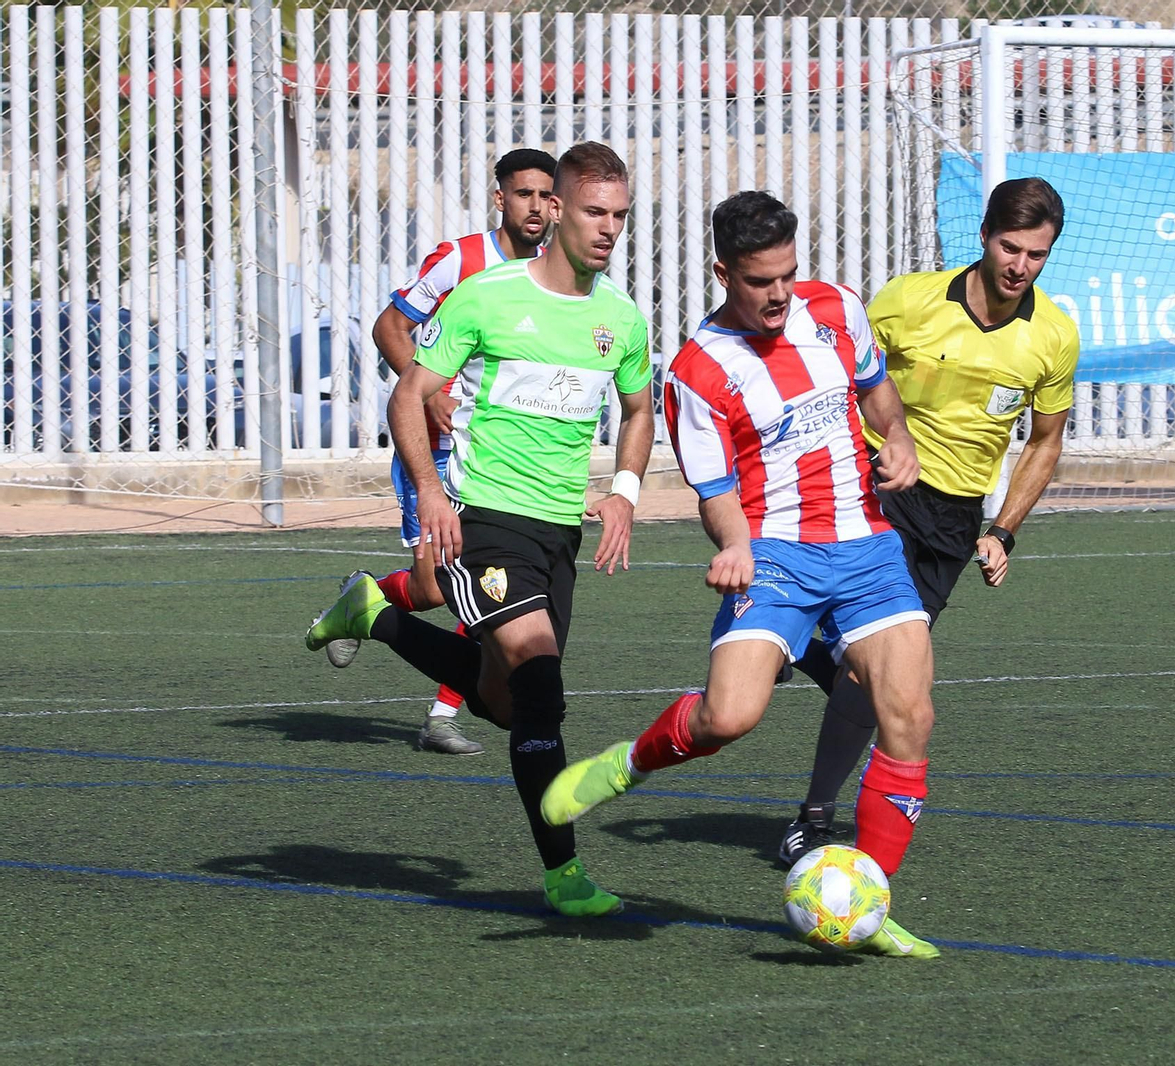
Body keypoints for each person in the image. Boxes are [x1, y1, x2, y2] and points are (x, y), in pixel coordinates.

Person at [538, 190, 942, 958]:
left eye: (789, 275)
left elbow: (879, 397)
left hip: (866, 547)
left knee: (909, 716)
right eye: (762, 281)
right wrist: (734, 546)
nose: (781, 294)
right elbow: (717, 490)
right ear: (724, 272)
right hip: (776, 555)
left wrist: (899, 439)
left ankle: (871, 897)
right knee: (729, 718)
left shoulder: (836, 310)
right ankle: (627, 763)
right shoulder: (697, 371)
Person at [305, 142, 654, 916]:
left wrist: (624, 491)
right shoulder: (486, 295)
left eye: (620, 216)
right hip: (482, 517)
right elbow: (409, 395)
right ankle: (564, 874)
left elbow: (638, 408)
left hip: (558, 530)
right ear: (557, 210)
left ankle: (375, 614)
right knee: (538, 679)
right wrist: (430, 491)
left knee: (502, 704)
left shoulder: (621, 317)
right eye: (595, 212)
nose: (608, 229)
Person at [777, 176, 1080, 864]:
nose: (1020, 266)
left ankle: (792, 642)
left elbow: (1046, 439)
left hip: (952, 520)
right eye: (1010, 247)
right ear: (983, 236)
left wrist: (1004, 529)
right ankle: (816, 820)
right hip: (875, 481)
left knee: (878, 678)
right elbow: (829, 360)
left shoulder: (1054, 335)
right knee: (873, 674)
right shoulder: (909, 301)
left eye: (1037, 255)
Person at [321, 147, 558, 758]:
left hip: (499, 455)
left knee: (462, 585)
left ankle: (383, 626)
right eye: (523, 194)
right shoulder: (462, 259)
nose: (535, 207)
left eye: (545, 196)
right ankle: (385, 626)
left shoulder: (556, 274)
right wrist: (430, 397)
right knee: (455, 585)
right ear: (500, 198)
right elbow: (388, 328)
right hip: (442, 447)